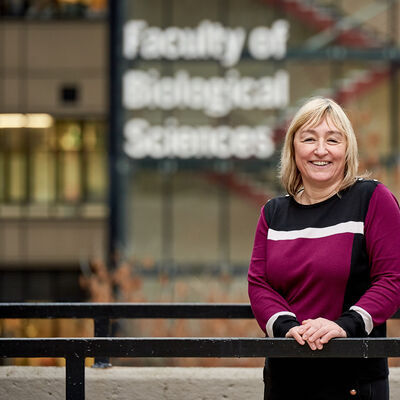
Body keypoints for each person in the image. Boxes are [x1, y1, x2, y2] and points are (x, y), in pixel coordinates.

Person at [248, 97, 400, 400]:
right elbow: (258, 284)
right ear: (293, 148)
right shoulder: (273, 213)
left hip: (354, 378)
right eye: (309, 139)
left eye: (333, 139)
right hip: (285, 376)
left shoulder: (372, 199)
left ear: (347, 149)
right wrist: (287, 327)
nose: (320, 150)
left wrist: (343, 326)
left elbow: (392, 280)